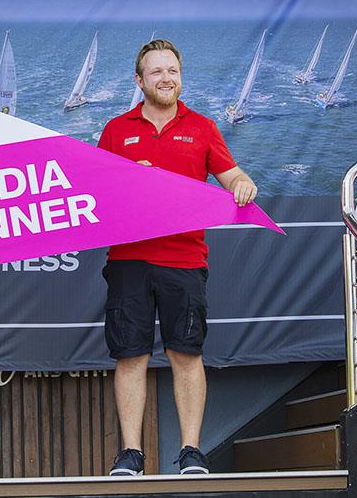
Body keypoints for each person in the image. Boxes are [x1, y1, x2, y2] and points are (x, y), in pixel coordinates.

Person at [97, 39, 257, 476]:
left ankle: (191, 451)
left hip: (185, 260)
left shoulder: (203, 127)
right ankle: (130, 454)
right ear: (139, 80)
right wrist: (131, 181)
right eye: (156, 72)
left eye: (172, 71)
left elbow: (233, 175)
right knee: (130, 356)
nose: (166, 78)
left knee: (186, 353)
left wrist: (242, 184)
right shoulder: (115, 129)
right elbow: (97, 196)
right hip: (128, 259)